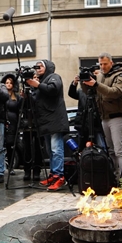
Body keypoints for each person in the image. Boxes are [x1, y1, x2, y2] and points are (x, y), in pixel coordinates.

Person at [81, 53, 122, 176]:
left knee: (119, 151)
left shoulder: (121, 75)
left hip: (118, 116)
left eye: (105, 64)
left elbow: (115, 92)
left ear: (111, 63)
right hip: (105, 117)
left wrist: (96, 84)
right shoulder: (100, 76)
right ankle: (114, 176)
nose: (102, 67)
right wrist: (83, 82)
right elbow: (90, 92)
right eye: (101, 64)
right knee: (110, 150)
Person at [27, 60, 69, 191]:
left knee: (56, 150)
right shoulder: (40, 82)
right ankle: (53, 174)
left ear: (47, 68)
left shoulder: (54, 77)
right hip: (45, 122)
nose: (37, 69)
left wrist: (38, 85)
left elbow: (53, 89)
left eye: (40, 67)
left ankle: (60, 177)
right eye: (36, 67)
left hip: (55, 120)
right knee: (50, 151)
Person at [1, 74, 25, 178]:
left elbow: (20, 110)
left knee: (11, 146)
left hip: (13, 123)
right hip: (2, 122)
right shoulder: (1, 95)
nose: (8, 85)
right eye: (6, 83)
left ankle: (10, 167)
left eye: (10, 83)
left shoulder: (17, 97)